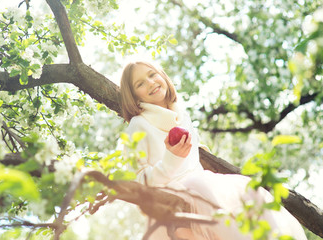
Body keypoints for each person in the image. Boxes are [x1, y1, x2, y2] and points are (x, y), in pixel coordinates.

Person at [120, 60, 307, 240]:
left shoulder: (181, 115)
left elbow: (195, 155)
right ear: (135, 96)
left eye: (152, 74)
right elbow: (137, 183)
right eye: (140, 84)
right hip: (171, 200)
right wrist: (171, 159)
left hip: (202, 185)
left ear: (162, 75)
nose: (151, 83)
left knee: (252, 193)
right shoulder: (139, 125)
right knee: (204, 191)